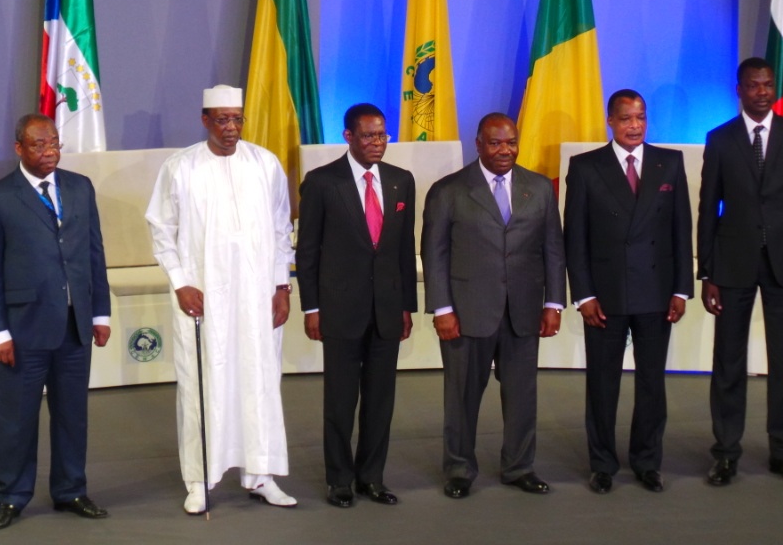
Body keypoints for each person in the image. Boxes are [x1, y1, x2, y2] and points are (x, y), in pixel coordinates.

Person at [145, 85, 297, 514]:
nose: (231, 127)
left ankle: (261, 474)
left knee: (259, 381)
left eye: (237, 119)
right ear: (205, 120)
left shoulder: (264, 164)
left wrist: (281, 286)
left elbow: (281, 228)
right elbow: (161, 229)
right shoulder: (181, 167)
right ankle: (199, 479)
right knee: (201, 384)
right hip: (203, 297)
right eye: (222, 119)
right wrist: (180, 283)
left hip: (257, 297)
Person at [0, 114, 111, 530]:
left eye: (54, 143)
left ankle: (71, 490)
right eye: (39, 145)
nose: (49, 151)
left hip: (74, 326)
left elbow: (94, 253)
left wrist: (99, 312)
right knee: (16, 419)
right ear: (19, 148)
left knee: (72, 415)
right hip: (22, 329)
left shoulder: (80, 187)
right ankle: (11, 496)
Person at [421, 112, 566, 499]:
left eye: (511, 142)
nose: (505, 150)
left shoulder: (539, 188)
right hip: (466, 313)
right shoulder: (449, 190)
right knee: (462, 396)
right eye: (496, 143)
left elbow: (553, 248)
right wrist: (442, 309)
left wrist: (553, 302)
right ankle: (459, 469)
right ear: (479, 145)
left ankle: (520, 467)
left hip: (523, 310)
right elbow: (434, 254)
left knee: (522, 396)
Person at [697, 57, 783, 486]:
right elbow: (708, 208)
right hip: (732, 265)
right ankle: (726, 454)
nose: (762, 92)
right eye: (754, 85)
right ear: (739, 90)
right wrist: (707, 272)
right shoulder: (720, 139)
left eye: (768, 84)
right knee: (728, 363)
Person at [564, 90, 693, 494]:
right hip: (605, 297)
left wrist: (682, 289)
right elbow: (575, 238)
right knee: (603, 385)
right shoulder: (585, 167)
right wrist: (584, 295)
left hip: (656, 293)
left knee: (652, 384)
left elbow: (681, 230)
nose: (635, 126)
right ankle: (602, 464)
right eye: (626, 118)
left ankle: (647, 461)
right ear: (610, 121)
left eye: (641, 117)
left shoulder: (670, 162)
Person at [296, 103, 417, 508]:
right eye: (368, 136)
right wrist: (311, 308)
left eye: (382, 135)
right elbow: (308, 251)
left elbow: (403, 249)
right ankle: (339, 480)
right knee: (340, 402)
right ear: (348, 136)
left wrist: (406, 305)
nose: (377, 143)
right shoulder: (322, 182)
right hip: (339, 311)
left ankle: (372, 478)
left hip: (387, 311)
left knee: (380, 401)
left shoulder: (401, 181)